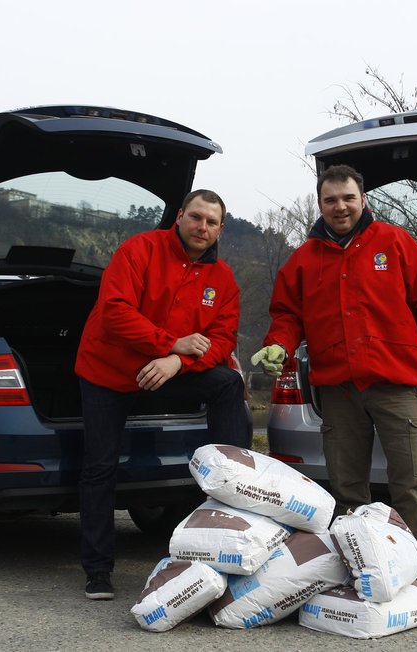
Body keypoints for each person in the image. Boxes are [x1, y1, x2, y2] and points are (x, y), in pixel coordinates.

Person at [251, 165, 417, 581]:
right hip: (338, 390)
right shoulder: (304, 260)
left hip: (395, 384)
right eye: (330, 200)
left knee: (411, 489)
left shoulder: (395, 243)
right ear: (320, 204)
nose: (340, 207)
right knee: (347, 495)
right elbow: (288, 315)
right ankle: (361, 575)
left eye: (347, 197)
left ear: (363, 199)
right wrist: (279, 343)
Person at [74, 189, 249, 600]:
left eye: (211, 222)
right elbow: (116, 313)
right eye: (196, 217)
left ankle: (236, 485)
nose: (202, 227)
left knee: (228, 382)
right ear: (180, 217)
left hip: (166, 370)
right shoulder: (139, 251)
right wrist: (170, 344)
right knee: (100, 466)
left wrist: (177, 362)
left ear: (221, 228)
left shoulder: (222, 280)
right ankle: (97, 571)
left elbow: (221, 341)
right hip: (109, 371)